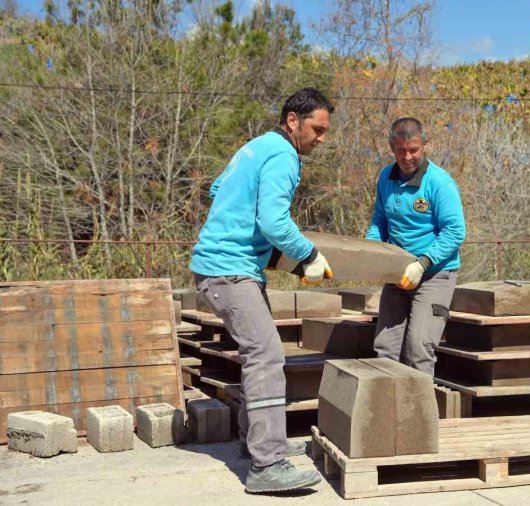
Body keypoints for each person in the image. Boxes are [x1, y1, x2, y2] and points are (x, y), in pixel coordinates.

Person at [190, 88, 334, 494]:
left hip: (227, 267)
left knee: (258, 352)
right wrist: (308, 254)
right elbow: (273, 221)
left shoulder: (255, 147)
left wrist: (243, 232)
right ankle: (267, 464)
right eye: (317, 129)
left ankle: (254, 441)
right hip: (228, 271)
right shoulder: (284, 156)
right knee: (267, 354)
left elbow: (217, 189)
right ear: (293, 121)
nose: (322, 138)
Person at [365, 117, 466, 376]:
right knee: (385, 347)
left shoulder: (439, 183)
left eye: (414, 150)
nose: (407, 157)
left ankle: (419, 403)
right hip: (397, 273)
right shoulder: (386, 178)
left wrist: (422, 263)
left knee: (418, 348)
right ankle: (387, 400)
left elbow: (455, 231)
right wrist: (370, 251)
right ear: (392, 147)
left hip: (434, 274)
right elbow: (379, 221)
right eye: (401, 150)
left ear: (424, 145)